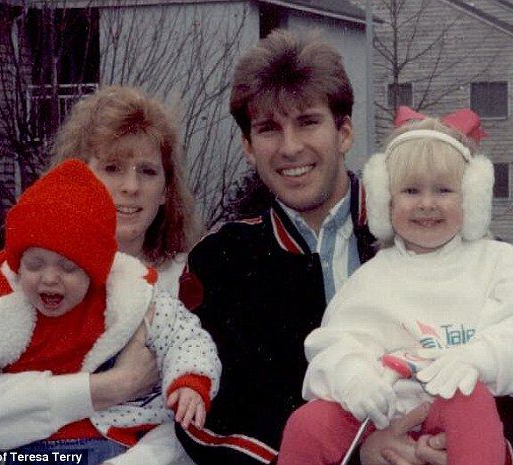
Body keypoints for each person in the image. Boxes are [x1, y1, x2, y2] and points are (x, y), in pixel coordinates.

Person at [0, 86, 204, 465]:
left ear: (166, 191)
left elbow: (193, 419)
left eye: (148, 171)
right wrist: (107, 388)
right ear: (77, 176)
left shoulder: (185, 283)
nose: (131, 186)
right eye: (112, 167)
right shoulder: (24, 276)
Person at [277, 107, 513, 465]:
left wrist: (480, 357)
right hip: (383, 408)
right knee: (309, 423)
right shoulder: (372, 277)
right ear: (384, 201)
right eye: (410, 191)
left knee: (468, 397)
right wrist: (353, 377)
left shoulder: (498, 262)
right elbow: (336, 341)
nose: (427, 204)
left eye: (443, 190)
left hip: (455, 410)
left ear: (471, 198)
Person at [174, 29, 379, 465]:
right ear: (248, 147)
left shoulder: (418, 234)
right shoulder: (222, 261)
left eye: (308, 121)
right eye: (269, 129)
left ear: (344, 132)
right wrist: (361, 452)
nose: (290, 147)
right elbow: (207, 414)